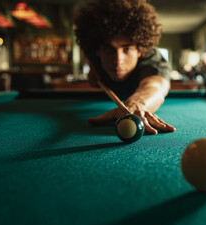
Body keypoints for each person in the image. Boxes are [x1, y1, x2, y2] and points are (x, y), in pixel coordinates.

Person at [74, 0, 176, 135]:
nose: (118, 60)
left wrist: (137, 103)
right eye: (108, 49)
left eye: (126, 48)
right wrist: (93, 67)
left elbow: (156, 85)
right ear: (97, 50)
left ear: (140, 50)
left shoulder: (152, 58)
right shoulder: (93, 53)